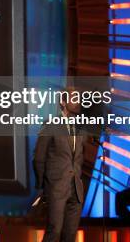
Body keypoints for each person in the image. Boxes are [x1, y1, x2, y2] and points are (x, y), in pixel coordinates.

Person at [32, 96, 85, 242]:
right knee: (54, 231)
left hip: (76, 188)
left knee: (71, 235)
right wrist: (43, 185)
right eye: (74, 99)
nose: (78, 102)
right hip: (56, 187)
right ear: (63, 102)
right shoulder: (50, 125)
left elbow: (79, 157)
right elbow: (39, 158)